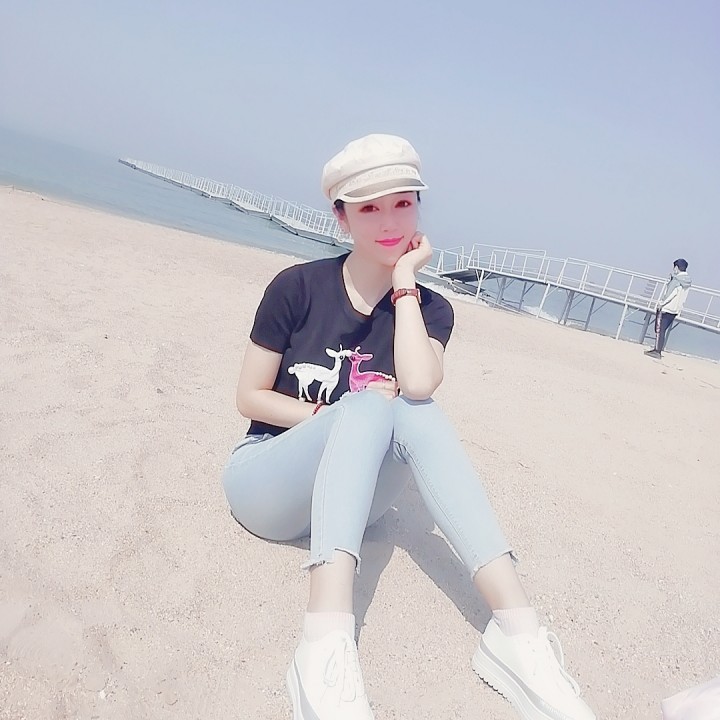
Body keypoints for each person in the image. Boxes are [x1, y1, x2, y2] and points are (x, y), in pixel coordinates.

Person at [222, 134, 596, 720]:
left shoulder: (431, 309)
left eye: (402, 203)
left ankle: (519, 635)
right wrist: (339, 414)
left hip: (353, 505)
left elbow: (419, 385)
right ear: (341, 218)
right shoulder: (297, 288)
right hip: (269, 481)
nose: (389, 221)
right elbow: (250, 397)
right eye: (369, 207)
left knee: (412, 410)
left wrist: (404, 284)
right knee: (369, 405)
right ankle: (324, 642)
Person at [645, 259, 692, 359]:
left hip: (667, 308)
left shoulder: (676, 280)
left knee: (659, 329)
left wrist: (661, 304)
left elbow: (670, 294)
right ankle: (657, 349)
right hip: (675, 309)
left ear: (676, 267)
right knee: (662, 329)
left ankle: (657, 351)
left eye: (674, 267)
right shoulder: (687, 282)